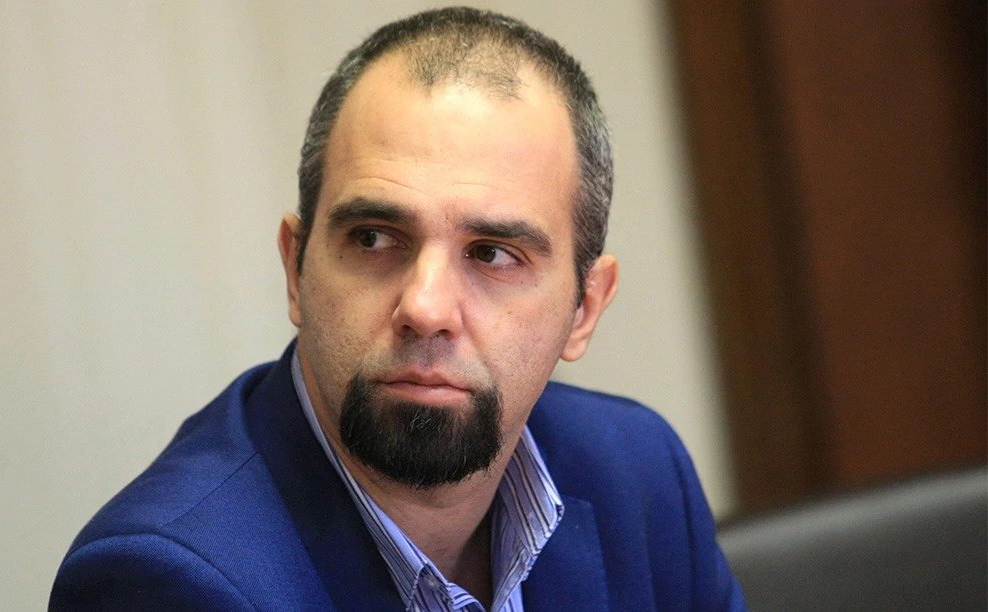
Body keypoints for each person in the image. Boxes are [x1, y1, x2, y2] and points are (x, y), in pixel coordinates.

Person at [50, 7, 745, 611]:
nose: (425, 307)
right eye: (374, 239)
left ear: (584, 308)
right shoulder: (166, 581)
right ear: (295, 268)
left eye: (492, 253)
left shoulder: (637, 473)